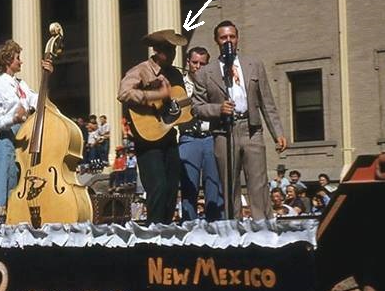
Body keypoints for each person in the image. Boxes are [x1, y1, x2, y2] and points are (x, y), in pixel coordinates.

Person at [192, 20, 287, 220]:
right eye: (223, 37)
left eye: (232, 37)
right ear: (216, 41)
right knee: (230, 184)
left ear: (237, 38)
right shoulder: (205, 73)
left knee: (258, 182)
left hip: (251, 129)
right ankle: (234, 229)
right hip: (224, 133)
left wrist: (277, 133)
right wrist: (218, 109)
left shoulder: (254, 65)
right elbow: (196, 107)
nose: (228, 41)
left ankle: (263, 228)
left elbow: (266, 101)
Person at [0, 40, 54, 225]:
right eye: (17, 58)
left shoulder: (21, 84)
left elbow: (38, 102)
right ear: (7, 60)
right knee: (1, 190)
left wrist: (47, 76)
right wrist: (14, 117)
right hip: (8, 142)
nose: (21, 62)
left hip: (25, 139)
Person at [118, 29, 187, 224]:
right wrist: (156, 96)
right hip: (147, 140)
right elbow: (124, 93)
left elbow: (180, 104)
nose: (172, 54)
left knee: (172, 187)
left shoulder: (175, 73)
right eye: (167, 49)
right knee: (158, 186)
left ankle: (165, 229)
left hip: (168, 136)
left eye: (173, 50)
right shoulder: (141, 70)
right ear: (156, 50)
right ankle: (154, 234)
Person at [177, 46, 223, 222]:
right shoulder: (179, 85)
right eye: (194, 62)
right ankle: (188, 226)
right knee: (189, 187)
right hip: (188, 137)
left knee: (213, 185)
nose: (198, 67)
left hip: (211, 137)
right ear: (188, 62)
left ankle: (215, 226)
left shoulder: (213, 82)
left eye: (202, 63)